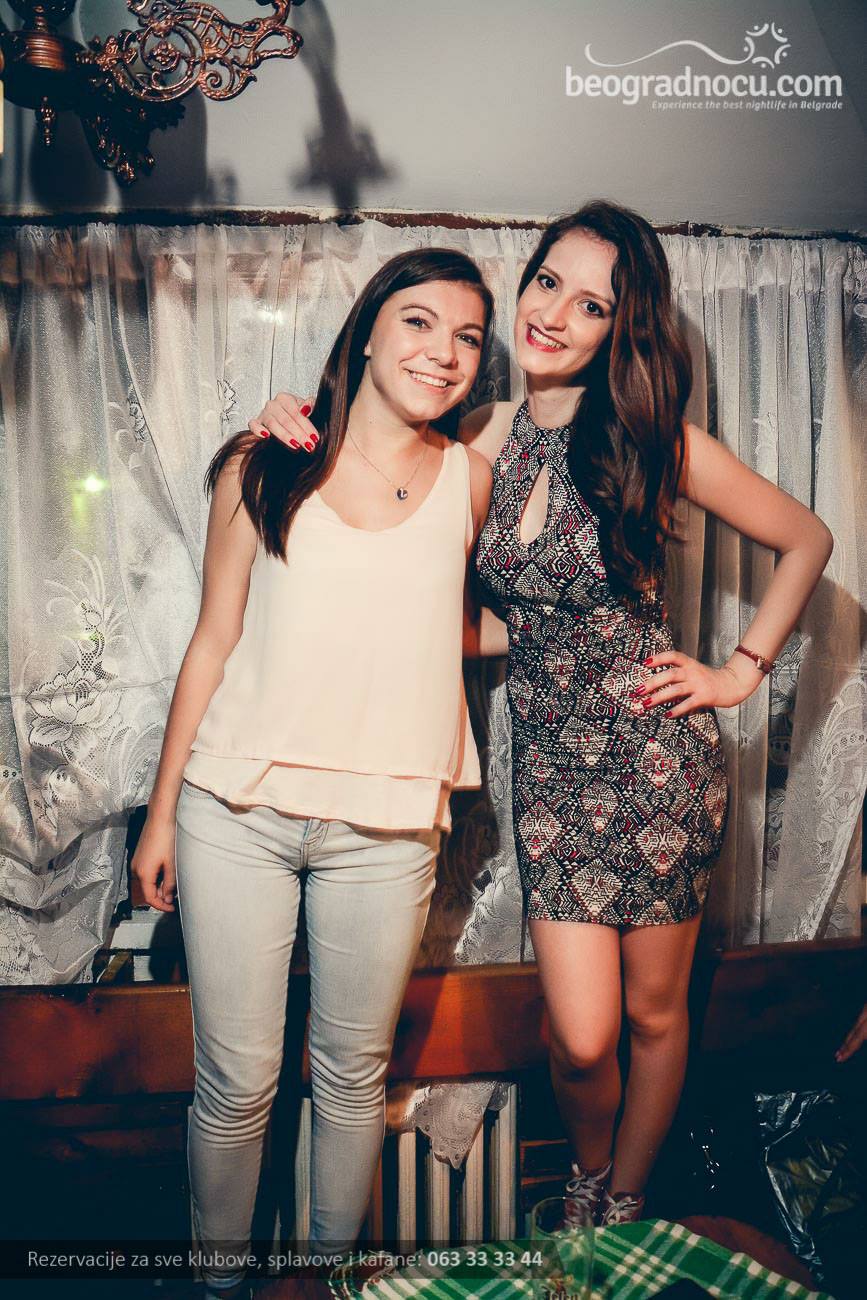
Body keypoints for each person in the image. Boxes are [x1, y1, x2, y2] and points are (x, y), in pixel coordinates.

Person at [248, 201, 834, 1227]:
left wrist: (738, 672)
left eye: (591, 304)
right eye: (548, 282)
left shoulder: (657, 442)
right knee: (581, 1036)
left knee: (653, 1013)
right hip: (554, 772)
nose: (555, 313)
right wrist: (290, 419)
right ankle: (588, 1172)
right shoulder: (479, 437)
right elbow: (399, 518)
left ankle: (619, 1199)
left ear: (620, 330)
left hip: (658, 765)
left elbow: (807, 538)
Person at [132, 248, 494, 1298]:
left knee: (349, 1081)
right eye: (419, 321)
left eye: (468, 337)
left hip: (387, 825)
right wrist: (160, 815)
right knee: (237, 1084)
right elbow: (212, 640)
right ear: (368, 330)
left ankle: (324, 1286)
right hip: (234, 811)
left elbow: (447, 615)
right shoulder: (266, 461)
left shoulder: (473, 478)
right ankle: (218, 1288)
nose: (443, 351)